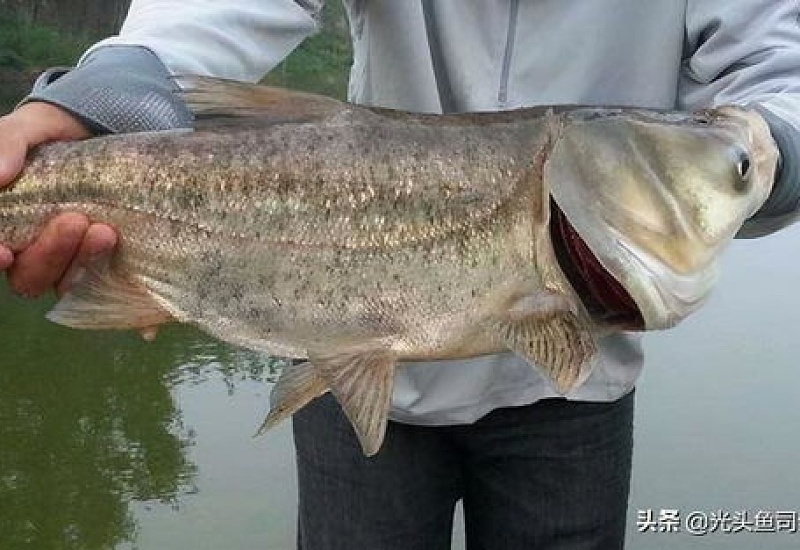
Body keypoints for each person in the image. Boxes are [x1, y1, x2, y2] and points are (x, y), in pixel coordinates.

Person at [1, 2, 798, 549]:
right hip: (345, 351)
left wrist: (769, 150)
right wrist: (113, 89)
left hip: (573, 385)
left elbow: (778, 70)